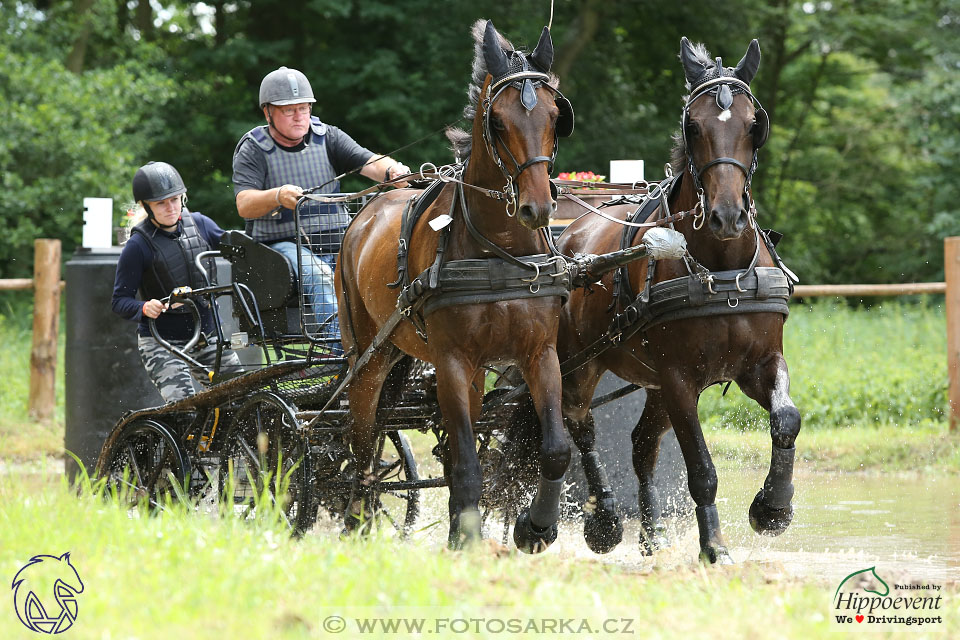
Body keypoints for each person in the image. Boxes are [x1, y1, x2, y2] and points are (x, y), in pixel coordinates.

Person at [231, 66, 409, 347]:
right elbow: (244, 204)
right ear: (268, 113)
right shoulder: (254, 148)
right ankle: (338, 354)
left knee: (384, 266)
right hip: (280, 246)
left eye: (304, 108)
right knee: (322, 277)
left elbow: (367, 161)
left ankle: (391, 346)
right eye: (289, 110)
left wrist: (393, 172)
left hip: (337, 240)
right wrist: (277, 195)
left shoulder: (328, 137)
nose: (299, 116)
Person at [112, 161, 242, 403]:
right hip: (162, 342)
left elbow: (239, 249)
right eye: (161, 203)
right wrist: (143, 307)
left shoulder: (201, 224)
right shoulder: (137, 246)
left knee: (241, 397)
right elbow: (119, 301)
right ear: (146, 206)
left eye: (174, 199)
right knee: (185, 406)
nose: (170, 207)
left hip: (206, 335)